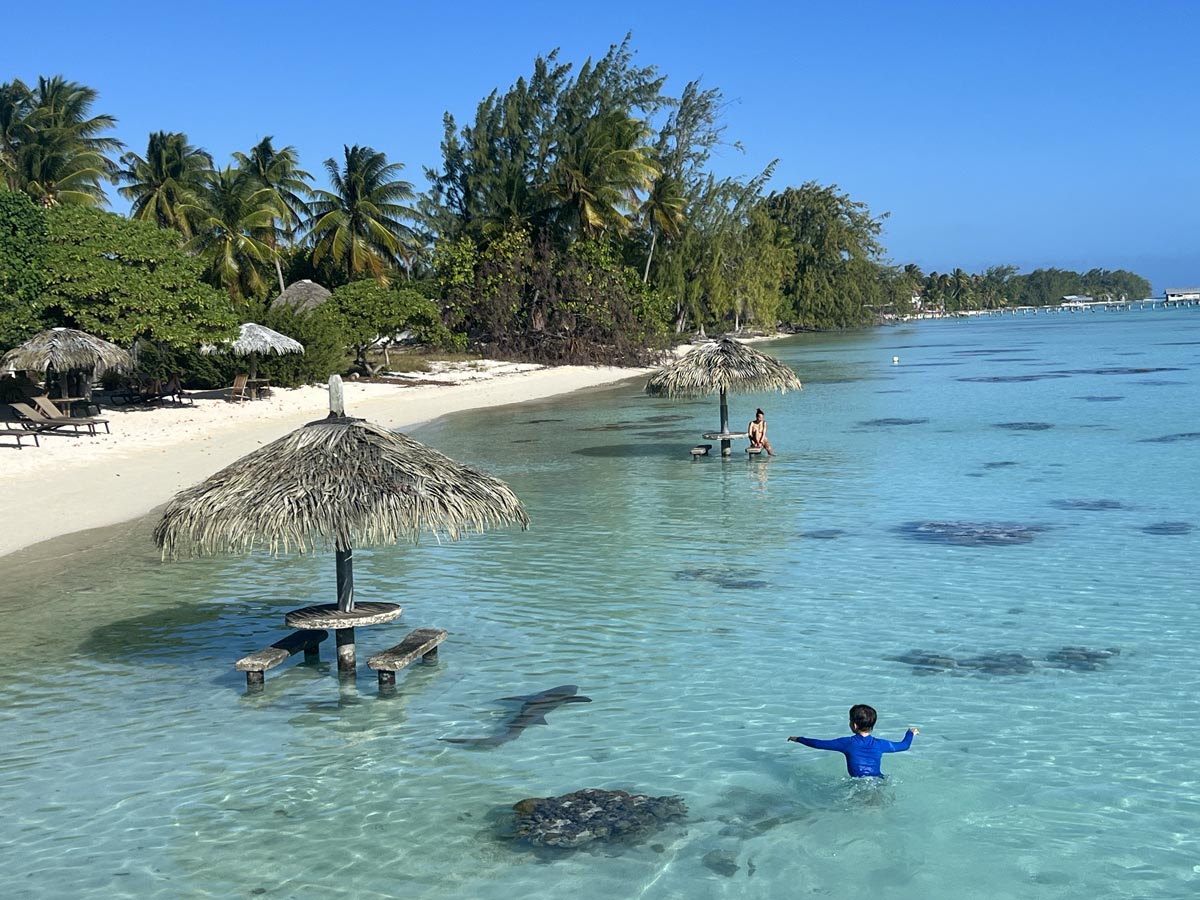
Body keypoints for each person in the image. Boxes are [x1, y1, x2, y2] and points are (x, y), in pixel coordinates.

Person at [787, 704, 917, 777]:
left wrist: (798, 739)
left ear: (854, 725)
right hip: (879, 780)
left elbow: (818, 744)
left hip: (858, 783)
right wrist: (910, 733)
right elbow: (904, 746)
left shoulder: (847, 743)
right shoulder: (881, 744)